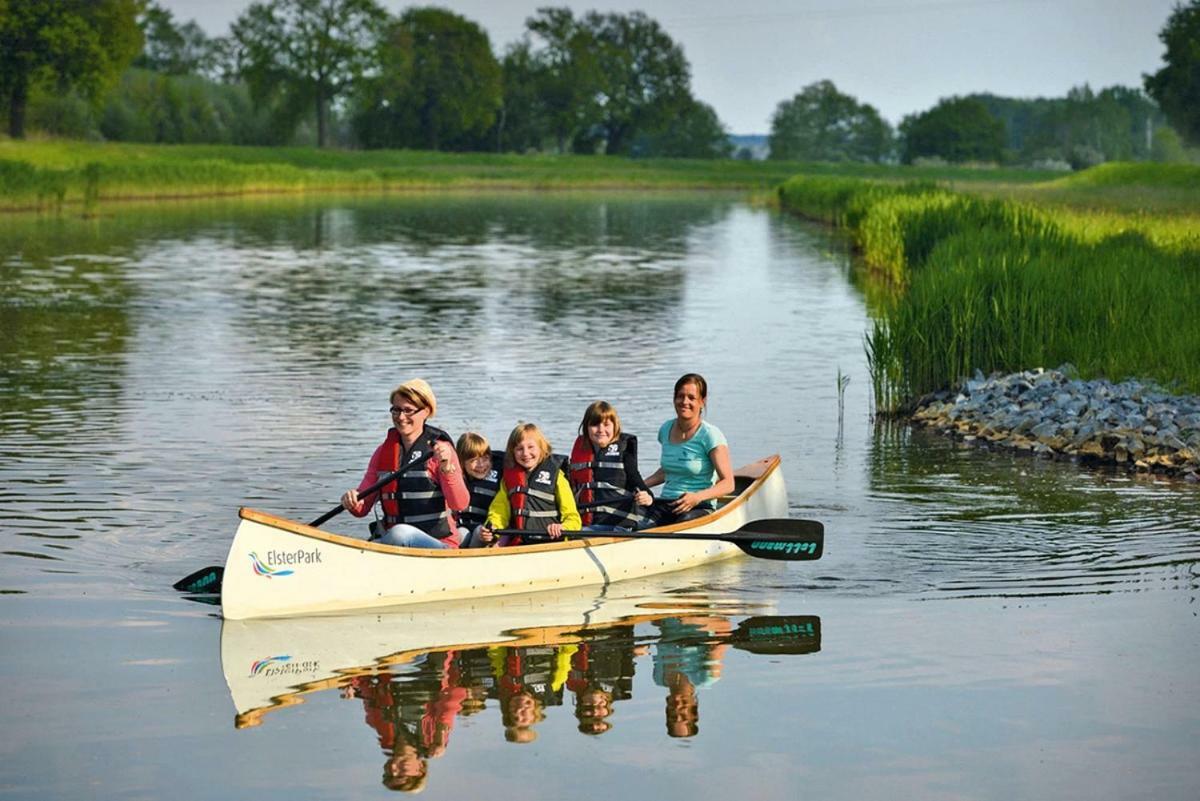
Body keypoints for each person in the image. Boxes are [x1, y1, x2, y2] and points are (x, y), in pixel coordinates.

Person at [340, 379, 469, 548]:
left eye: (408, 411)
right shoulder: (382, 453)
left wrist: (446, 467)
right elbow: (362, 509)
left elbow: (460, 504)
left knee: (399, 533)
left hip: (439, 545)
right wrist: (351, 500)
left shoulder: (440, 451)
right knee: (369, 545)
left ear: (426, 412)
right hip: (396, 544)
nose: (401, 417)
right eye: (396, 410)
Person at [641, 373, 735, 528]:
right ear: (674, 399)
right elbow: (668, 470)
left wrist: (697, 497)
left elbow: (729, 483)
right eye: (680, 396)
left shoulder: (710, 435)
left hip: (698, 507)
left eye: (691, 398)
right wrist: (641, 486)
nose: (685, 402)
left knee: (680, 524)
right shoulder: (665, 429)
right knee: (635, 523)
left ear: (702, 402)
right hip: (666, 503)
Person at [480, 423, 581, 546]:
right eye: (519, 449)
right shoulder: (508, 479)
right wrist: (492, 528)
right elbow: (499, 512)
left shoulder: (557, 476)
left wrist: (563, 527)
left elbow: (572, 517)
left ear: (541, 448)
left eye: (531, 447)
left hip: (552, 542)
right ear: (512, 452)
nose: (525, 453)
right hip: (522, 542)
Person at [567, 401, 652, 530]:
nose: (601, 430)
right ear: (586, 428)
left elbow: (637, 481)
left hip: (618, 526)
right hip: (585, 524)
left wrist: (647, 497)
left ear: (615, 427)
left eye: (606, 425)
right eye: (595, 425)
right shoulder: (579, 452)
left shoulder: (624, 452)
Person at [455, 432, 503, 548]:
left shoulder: (500, 470)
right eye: (473, 460)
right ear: (462, 463)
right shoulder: (455, 476)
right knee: (461, 534)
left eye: (485, 458)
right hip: (462, 527)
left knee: (478, 531)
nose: (481, 465)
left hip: (485, 531)